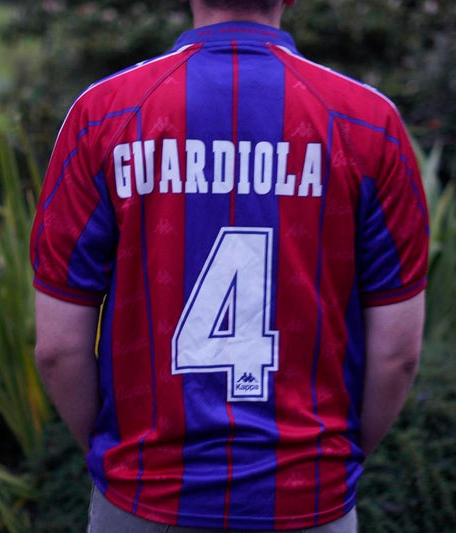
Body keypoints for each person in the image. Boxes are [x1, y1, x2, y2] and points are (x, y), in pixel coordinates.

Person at [30, 0, 429, 531]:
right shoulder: (368, 122)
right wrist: (335, 461)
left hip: (144, 493)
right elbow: (398, 356)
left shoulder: (104, 113)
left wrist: (120, 462)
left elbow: (58, 349)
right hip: (308, 495)